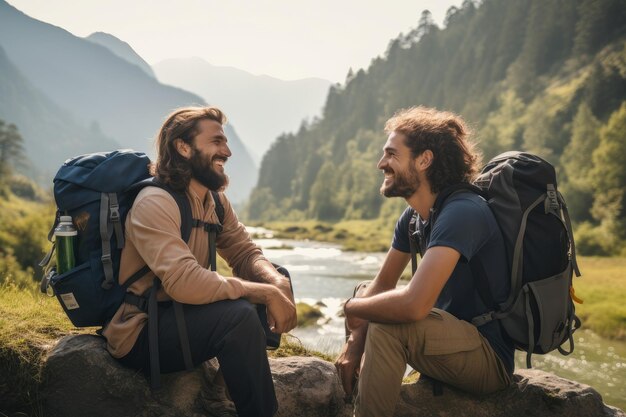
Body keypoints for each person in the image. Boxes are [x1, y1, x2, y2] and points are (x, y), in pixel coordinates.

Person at [102, 106, 297, 417]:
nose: (228, 151)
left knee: (275, 275)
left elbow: (244, 252)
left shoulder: (214, 201)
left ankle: (223, 387)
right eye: (217, 142)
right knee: (240, 315)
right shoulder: (154, 202)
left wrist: (275, 283)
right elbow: (185, 282)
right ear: (183, 147)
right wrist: (265, 294)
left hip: (185, 318)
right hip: (142, 333)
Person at [335, 106, 514, 416]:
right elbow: (381, 285)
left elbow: (415, 305)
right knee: (368, 292)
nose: (381, 163)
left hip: (487, 357)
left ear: (424, 159)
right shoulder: (414, 218)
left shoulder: (462, 212)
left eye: (391, 154)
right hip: (448, 342)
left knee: (385, 322)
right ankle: (362, 386)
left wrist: (350, 308)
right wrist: (354, 345)